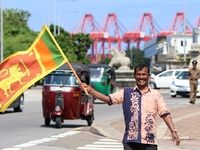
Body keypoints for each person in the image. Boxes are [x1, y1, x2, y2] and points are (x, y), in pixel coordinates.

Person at [79, 63, 180, 150]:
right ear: (135, 76)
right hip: (130, 141)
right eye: (139, 74)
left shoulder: (156, 95)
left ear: (149, 76)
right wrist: (90, 90)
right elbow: (107, 99)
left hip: (149, 141)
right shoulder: (126, 93)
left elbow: (165, 113)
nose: (141, 77)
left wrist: (173, 131)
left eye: (144, 74)